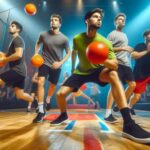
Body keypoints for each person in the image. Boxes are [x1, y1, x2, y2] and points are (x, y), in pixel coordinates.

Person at [50, 8, 150, 144]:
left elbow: (114, 64)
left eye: (100, 18)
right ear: (87, 20)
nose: (98, 19)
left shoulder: (105, 42)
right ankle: (63, 115)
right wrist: (73, 68)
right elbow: (74, 52)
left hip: (98, 70)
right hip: (80, 72)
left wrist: (99, 58)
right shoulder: (77, 38)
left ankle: (128, 124)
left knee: (113, 74)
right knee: (60, 95)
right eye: (95, 16)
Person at [33, 14, 70, 123]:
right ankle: (41, 111)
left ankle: (48, 99)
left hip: (56, 64)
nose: (53, 21)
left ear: (60, 24)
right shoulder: (43, 34)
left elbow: (68, 53)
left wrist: (60, 62)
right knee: (40, 82)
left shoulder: (64, 38)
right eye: (51, 20)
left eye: (55, 20)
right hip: (44, 62)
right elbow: (38, 43)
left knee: (53, 85)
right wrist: (36, 54)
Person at [105, 13, 136, 123]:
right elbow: (107, 49)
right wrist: (123, 48)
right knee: (114, 87)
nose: (123, 21)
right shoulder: (112, 34)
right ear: (115, 22)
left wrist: (128, 52)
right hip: (117, 64)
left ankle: (118, 105)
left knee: (132, 85)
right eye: (120, 19)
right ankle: (107, 113)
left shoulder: (125, 35)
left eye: (124, 20)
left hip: (126, 65)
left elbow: (125, 50)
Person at [0, 21, 33, 103]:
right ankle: (36, 102)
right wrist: (3, 56)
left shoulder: (17, 40)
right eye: (10, 26)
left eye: (13, 26)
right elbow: (6, 55)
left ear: (18, 29)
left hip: (17, 70)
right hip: (21, 72)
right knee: (20, 95)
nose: (10, 27)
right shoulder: (14, 41)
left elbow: (18, 55)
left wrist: (4, 60)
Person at [128, 30, 150, 114]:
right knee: (137, 96)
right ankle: (129, 107)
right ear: (145, 37)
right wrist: (147, 51)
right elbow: (133, 56)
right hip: (140, 74)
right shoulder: (140, 46)